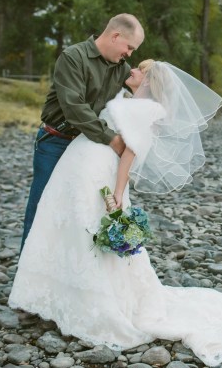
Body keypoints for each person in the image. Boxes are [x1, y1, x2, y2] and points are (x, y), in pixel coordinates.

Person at [9, 60, 222, 367]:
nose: (131, 71)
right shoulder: (126, 100)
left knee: (88, 231)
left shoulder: (147, 111)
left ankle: (91, 302)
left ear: (148, 81)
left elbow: (130, 154)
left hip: (99, 173)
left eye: (138, 69)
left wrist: (118, 194)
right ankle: (54, 294)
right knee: (67, 226)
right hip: (78, 165)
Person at [21, 13, 145, 252]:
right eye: (129, 47)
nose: (130, 54)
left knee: (78, 210)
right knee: (42, 207)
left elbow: (141, 91)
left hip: (87, 149)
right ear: (115, 35)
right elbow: (75, 109)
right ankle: (26, 272)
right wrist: (114, 140)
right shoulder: (73, 57)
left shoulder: (122, 68)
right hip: (55, 143)